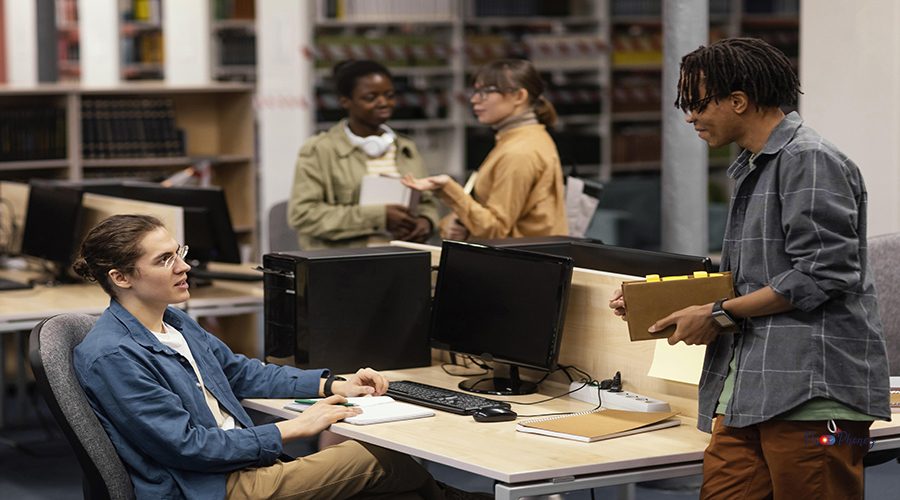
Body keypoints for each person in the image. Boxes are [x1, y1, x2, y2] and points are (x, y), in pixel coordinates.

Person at [609, 38, 890, 499]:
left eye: (696, 103)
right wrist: (662, 305)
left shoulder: (808, 159)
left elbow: (825, 274)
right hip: (747, 391)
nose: (689, 117)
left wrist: (719, 314)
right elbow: (759, 276)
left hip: (816, 399)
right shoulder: (753, 165)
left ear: (738, 101)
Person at [72, 214, 484, 499]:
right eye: (164, 260)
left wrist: (332, 384)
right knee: (380, 459)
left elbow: (239, 373)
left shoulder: (175, 323)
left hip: (240, 467)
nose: (184, 266)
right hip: (207, 487)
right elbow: (188, 447)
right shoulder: (113, 355)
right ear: (121, 278)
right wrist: (293, 429)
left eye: (179, 251)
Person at [401, 58, 567, 240]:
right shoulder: (527, 137)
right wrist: (459, 222)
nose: (474, 100)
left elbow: (494, 230)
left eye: (486, 92)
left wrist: (448, 189)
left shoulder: (519, 151)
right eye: (476, 91)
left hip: (521, 262)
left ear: (520, 96)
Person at [288, 60, 438, 249]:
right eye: (370, 97)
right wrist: (380, 216)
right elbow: (303, 215)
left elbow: (427, 201)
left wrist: (426, 221)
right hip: (346, 263)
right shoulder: (320, 150)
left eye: (389, 95)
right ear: (345, 101)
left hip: (404, 256)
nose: (383, 102)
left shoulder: (406, 148)